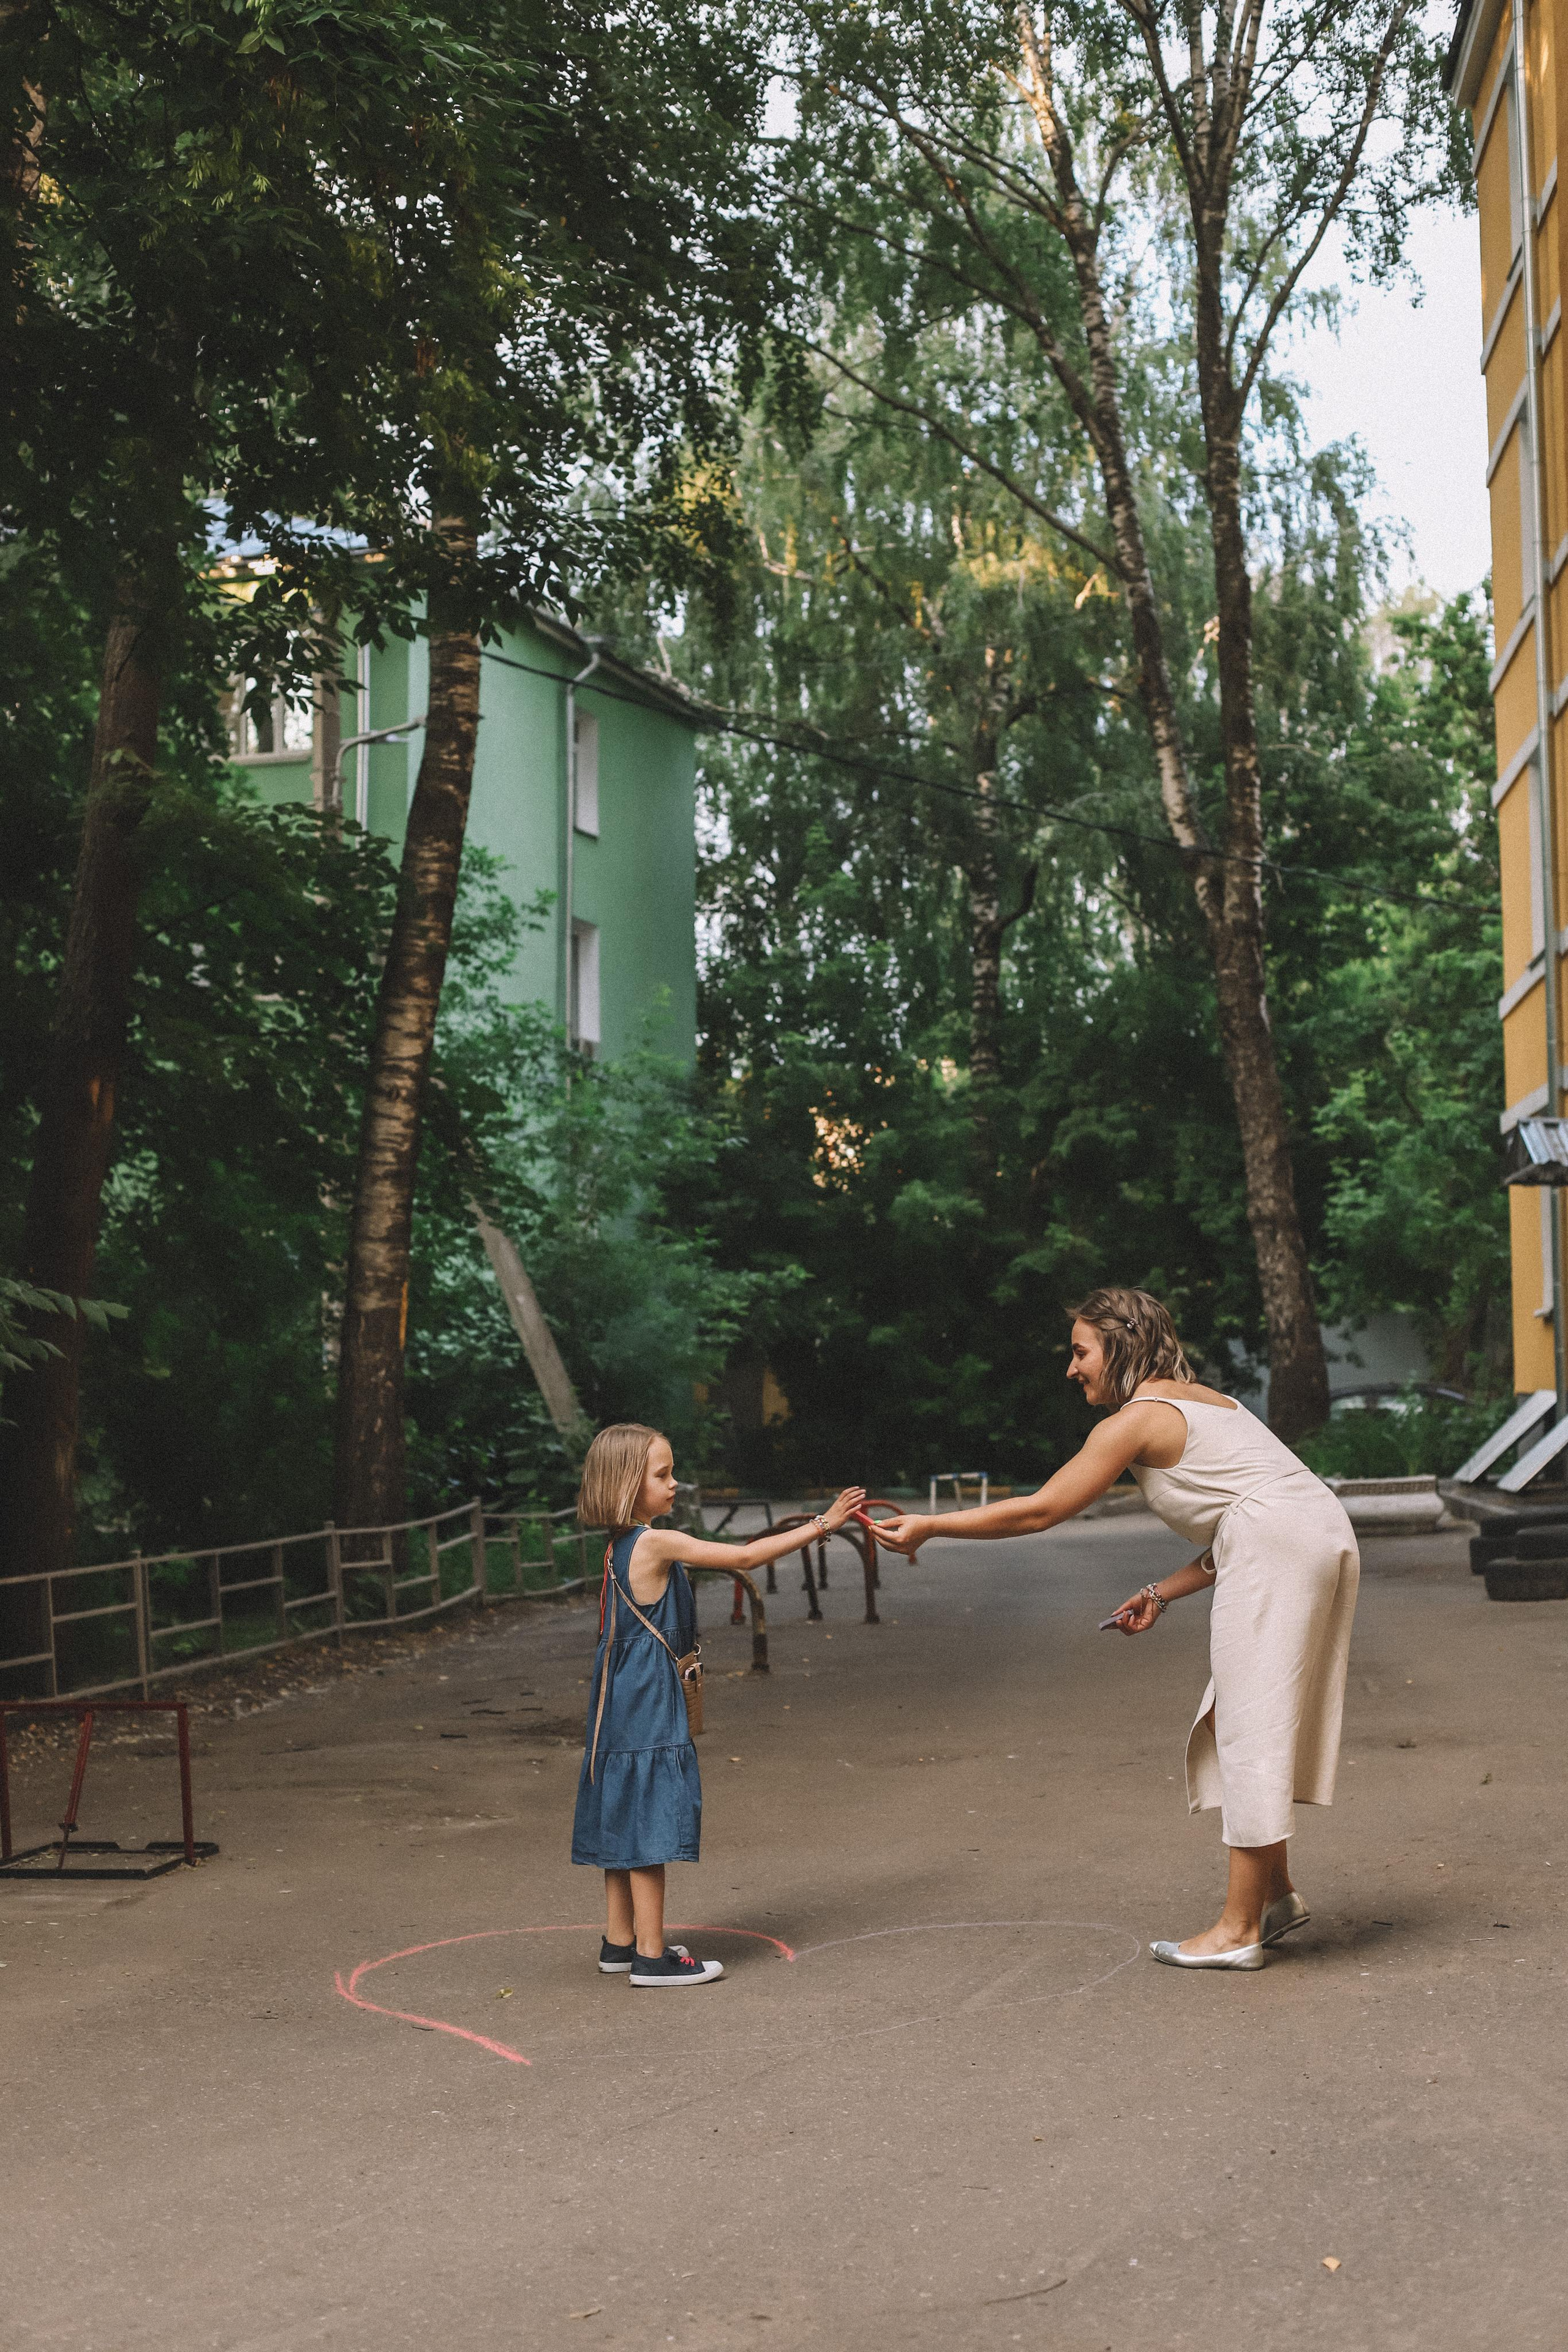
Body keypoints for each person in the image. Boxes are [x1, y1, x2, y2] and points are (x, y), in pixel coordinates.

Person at [872, 1288, 1359, 1971]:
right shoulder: (1203, 1400)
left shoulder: (1135, 1421)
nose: (1071, 1369)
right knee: (1234, 1719)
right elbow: (1247, 1514)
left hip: (1280, 1545)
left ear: (1122, 1345)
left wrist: (930, 1525)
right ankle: (1273, 1896)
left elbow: (1041, 1510)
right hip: (1306, 1534)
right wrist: (1161, 1591)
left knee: (1250, 1724)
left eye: (1080, 1352)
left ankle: (1237, 1928)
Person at [571, 1421, 865, 1988]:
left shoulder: (618, 1547)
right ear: (630, 1484)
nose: (675, 1483)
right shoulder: (655, 1542)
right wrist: (822, 1524)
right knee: (651, 1822)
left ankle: (621, 1941)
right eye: (663, 1474)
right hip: (646, 1700)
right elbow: (746, 1557)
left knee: (623, 1814)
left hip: (613, 1700)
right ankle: (653, 1959)